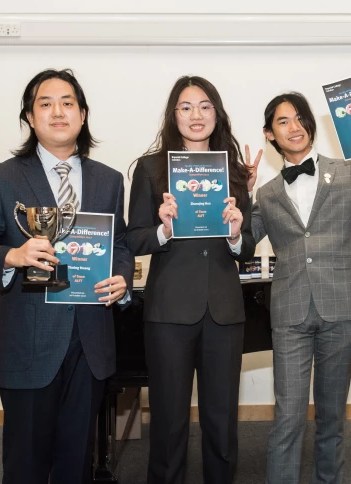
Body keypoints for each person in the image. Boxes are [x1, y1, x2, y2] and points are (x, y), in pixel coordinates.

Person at [0, 68, 135, 484]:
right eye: (46, 103)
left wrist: (122, 277)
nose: (58, 112)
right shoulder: (0, 178)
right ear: (30, 117)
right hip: (29, 343)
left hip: (91, 343)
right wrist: (13, 255)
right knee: (26, 466)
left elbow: (121, 243)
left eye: (67, 103)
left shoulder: (109, 180)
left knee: (77, 463)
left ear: (83, 115)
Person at [246, 91, 351, 484]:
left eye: (300, 118)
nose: (294, 126)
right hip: (289, 313)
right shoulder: (266, 193)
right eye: (283, 121)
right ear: (269, 134)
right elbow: (241, 243)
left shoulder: (348, 172)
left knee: (332, 419)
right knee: (287, 417)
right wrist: (239, 193)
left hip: (342, 308)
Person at [126, 75, 255, 484]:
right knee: (168, 423)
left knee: (222, 422)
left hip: (224, 312)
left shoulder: (235, 171)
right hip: (168, 312)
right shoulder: (150, 169)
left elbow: (248, 245)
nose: (195, 114)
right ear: (173, 114)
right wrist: (163, 230)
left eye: (204, 106)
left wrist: (235, 234)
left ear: (217, 114)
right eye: (185, 106)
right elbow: (134, 238)